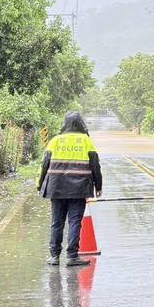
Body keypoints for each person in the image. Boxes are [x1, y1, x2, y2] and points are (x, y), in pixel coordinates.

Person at [38, 111, 103, 265]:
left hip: (56, 187)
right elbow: (95, 165)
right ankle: (72, 256)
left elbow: (44, 166)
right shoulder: (86, 141)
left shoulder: (55, 141)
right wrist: (98, 186)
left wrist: (40, 185)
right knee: (75, 221)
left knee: (57, 221)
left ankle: (54, 257)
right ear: (81, 123)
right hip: (79, 188)